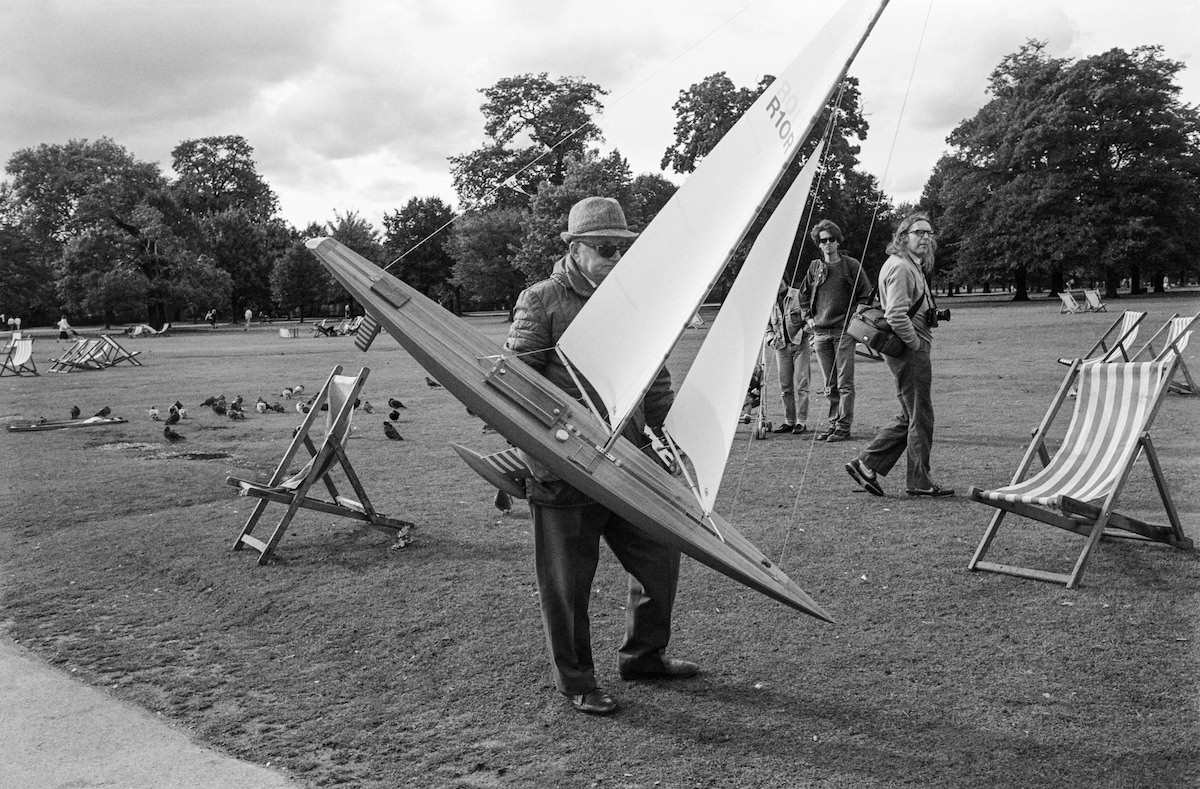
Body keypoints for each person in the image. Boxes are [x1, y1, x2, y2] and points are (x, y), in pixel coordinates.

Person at [504, 196, 698, 716]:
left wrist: (677, 437)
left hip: (628, 461)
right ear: (575, 248)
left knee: (660, 554)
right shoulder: (541, 300)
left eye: (623, 248)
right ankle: (576, 681)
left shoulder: (633, 301)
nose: (617, 256)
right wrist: (535, 454)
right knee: (567, 584)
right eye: (606, 248)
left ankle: (644, 657)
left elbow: (655, 379)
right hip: (563, 467)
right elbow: (514, 384)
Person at [845, 211, 953, 498]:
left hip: (908, 348)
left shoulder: (908, 264)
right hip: (909, 350)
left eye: (929, 233)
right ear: (903, 236)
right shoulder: (902, 267)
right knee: (920, 416)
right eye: (919, 232)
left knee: (910, 414)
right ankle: (919, 480)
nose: (926, 238)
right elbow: (895, 314)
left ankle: (867, 464)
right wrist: (915, 343)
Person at [799, 219, 871, 442]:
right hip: (820, 333)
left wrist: (855, 318)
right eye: (823, 240)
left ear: (838, 241)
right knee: (829, 383)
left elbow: (865, 295)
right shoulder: (815, 267)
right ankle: (833, 423)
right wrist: (808, 318)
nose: (828, 243)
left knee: (845, 382)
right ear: (818, 244)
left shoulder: (851, 265)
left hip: (844, 332)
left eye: (832, 239)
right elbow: (803, 295)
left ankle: (843, 426)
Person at [766, 278, 810, 434]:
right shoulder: (769, 300)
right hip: (781, 347)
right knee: (785, 386)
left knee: (802, 384)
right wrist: (771, 338)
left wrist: (803, 333)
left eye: (780, 280)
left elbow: (809, 317)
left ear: (785, 279)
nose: (778, 284)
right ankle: (789, 421)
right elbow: (766, 325)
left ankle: (801, 421)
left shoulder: (798, 295)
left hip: (800, 346)